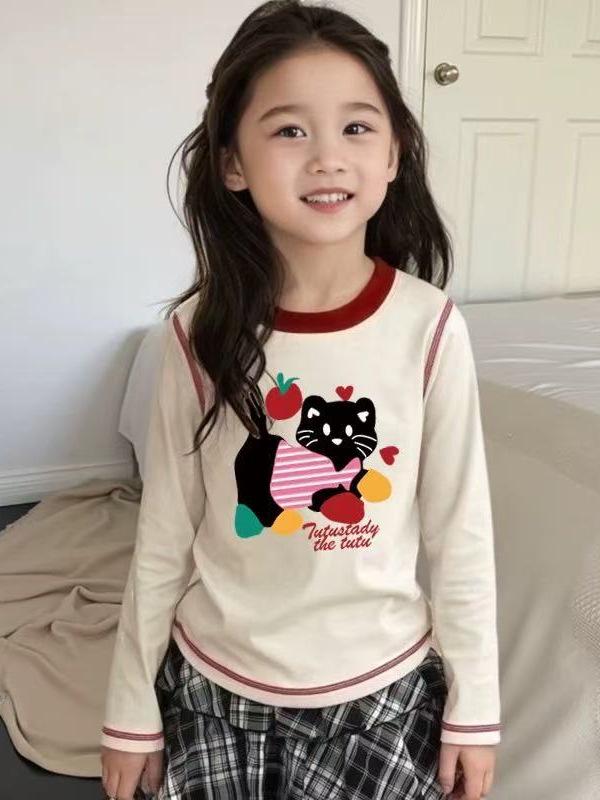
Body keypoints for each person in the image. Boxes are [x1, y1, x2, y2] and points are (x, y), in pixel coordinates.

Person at [100, 1, 503, 798]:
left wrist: (475, 708)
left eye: (356, 128)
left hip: (381, 695)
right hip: (216, 692)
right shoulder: (195, 334)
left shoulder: (430, 328)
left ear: (394, 154)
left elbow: (462, 532)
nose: (327, 158)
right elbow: (164, 531)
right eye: (289, 130)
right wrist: (129, 705)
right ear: (232, 164)